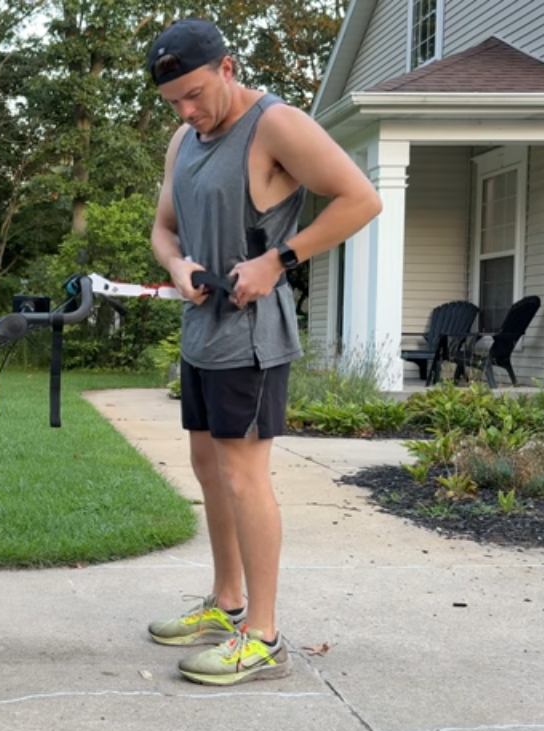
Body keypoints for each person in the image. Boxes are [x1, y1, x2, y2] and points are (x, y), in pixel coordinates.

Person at [144, 18, 382, 686]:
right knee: (206, 465)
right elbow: (162, 229)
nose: (188, 111)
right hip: (202, 329)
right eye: (174, 103)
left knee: (244, 474)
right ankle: (227, 604)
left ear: (226, 67)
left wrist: (280, 258)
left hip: (252, 334)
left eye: (194, 94)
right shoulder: (182, 141)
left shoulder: (276, 124)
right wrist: (178, 265)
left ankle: (264, 635)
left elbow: (361, 200)